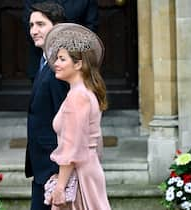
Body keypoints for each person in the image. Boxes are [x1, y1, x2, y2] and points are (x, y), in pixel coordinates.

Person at [43, 23, 111, 209]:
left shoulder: (78, 96)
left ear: (78, 64)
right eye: (57, 58)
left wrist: (60, 186)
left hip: (81, 172)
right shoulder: (84, 92)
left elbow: (72, 146)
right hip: (88, 168)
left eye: (62, 59)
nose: (55, 64)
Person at [25, 2, 69, 210]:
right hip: (41, 166)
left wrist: (60, 175)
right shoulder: (44, 61)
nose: (34, 30)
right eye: (31, 25)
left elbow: (68, 125)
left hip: (54, 168)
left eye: (40, 24)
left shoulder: (61, 68)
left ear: (57, 26)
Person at [23, 0, 99, 82]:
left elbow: (90, 28)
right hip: (39, 58)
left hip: (75, 61)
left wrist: (68, 50)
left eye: (40, 24)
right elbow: (28, 23)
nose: (34, 31)